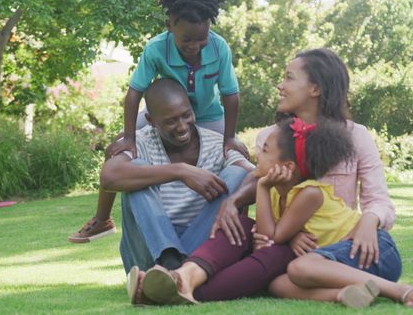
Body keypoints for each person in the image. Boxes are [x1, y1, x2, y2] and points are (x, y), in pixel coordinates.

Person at [68, 0, 248, 243]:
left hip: (209, 116)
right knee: (116, 149)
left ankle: (234, 230)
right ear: (170, 26)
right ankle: (102, 219)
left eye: (202, 38)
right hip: (168, 113)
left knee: (238, 157)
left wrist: (230, 137)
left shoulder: (219, 48)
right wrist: (129, 138)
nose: (195, 45)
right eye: (187, 39)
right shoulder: (155, 49)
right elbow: (133, 95)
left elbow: (231, 95)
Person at [132, 117, 358, 305]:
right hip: (292, 253)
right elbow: (265, 230)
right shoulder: (274, 189)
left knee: (276, 250)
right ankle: (183, 275)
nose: (257, 153)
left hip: (323, 259)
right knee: (242, 226)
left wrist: (263, 188)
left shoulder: (307, 193)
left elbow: (272, 237)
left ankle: (175, 294)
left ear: (287, 167)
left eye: (265, 150)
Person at [211, 48, 396, 271]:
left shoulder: (357, 136)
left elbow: (379, 201)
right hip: (288, 246)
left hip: (339, 244)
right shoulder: (270, 138)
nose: (280, 86)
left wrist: (369, 221)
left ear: (315, 88)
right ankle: (187, 275)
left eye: (289, 78)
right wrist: (288, 235)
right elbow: (266, 195)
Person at [98, 79, 253, 278]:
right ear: (151, 120)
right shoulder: (139, 142)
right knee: (135, 169)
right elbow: (109, 177)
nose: (181, 127)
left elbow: (255, 176)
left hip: (200, 248)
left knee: (238, 173)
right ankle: (168, 259)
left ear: (192, 109)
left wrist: (233, 201)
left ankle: (176, 271)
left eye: (186, 115)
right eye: (171, 121)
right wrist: (181, 171)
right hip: (147, 256)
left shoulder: (217, 145)